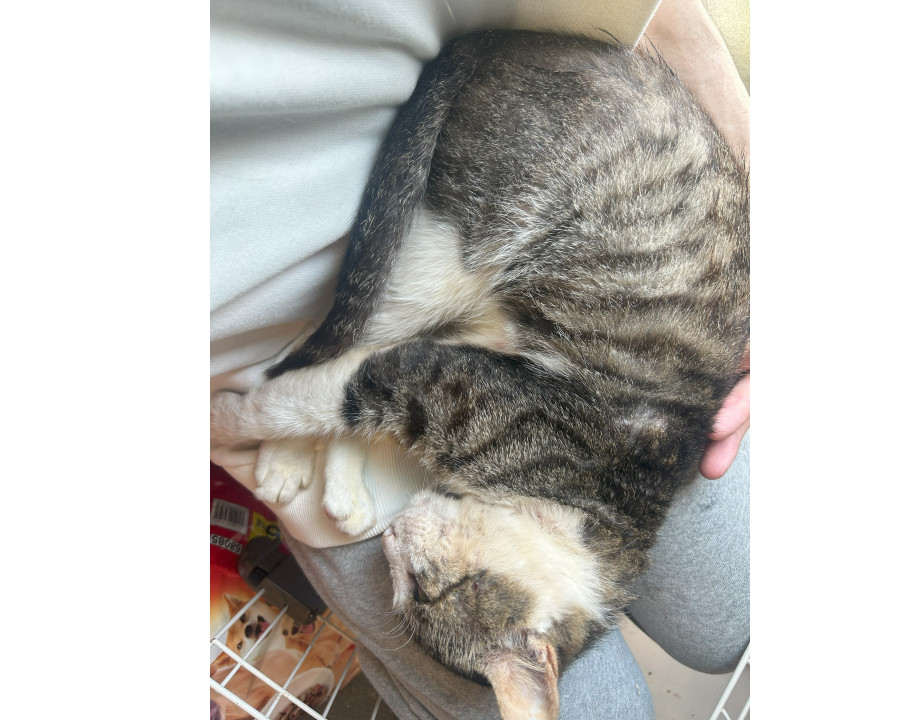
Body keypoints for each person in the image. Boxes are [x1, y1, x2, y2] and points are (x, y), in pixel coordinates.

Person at [211, 0, 749, 716]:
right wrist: (245, 420)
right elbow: (402, 380)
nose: (398, 553)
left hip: (574, 168)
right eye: (422, 582)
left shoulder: (584, 516)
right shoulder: (540, 493)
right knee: (723, 630)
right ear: (534, 638)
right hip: (550, 162)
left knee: (726, 630)